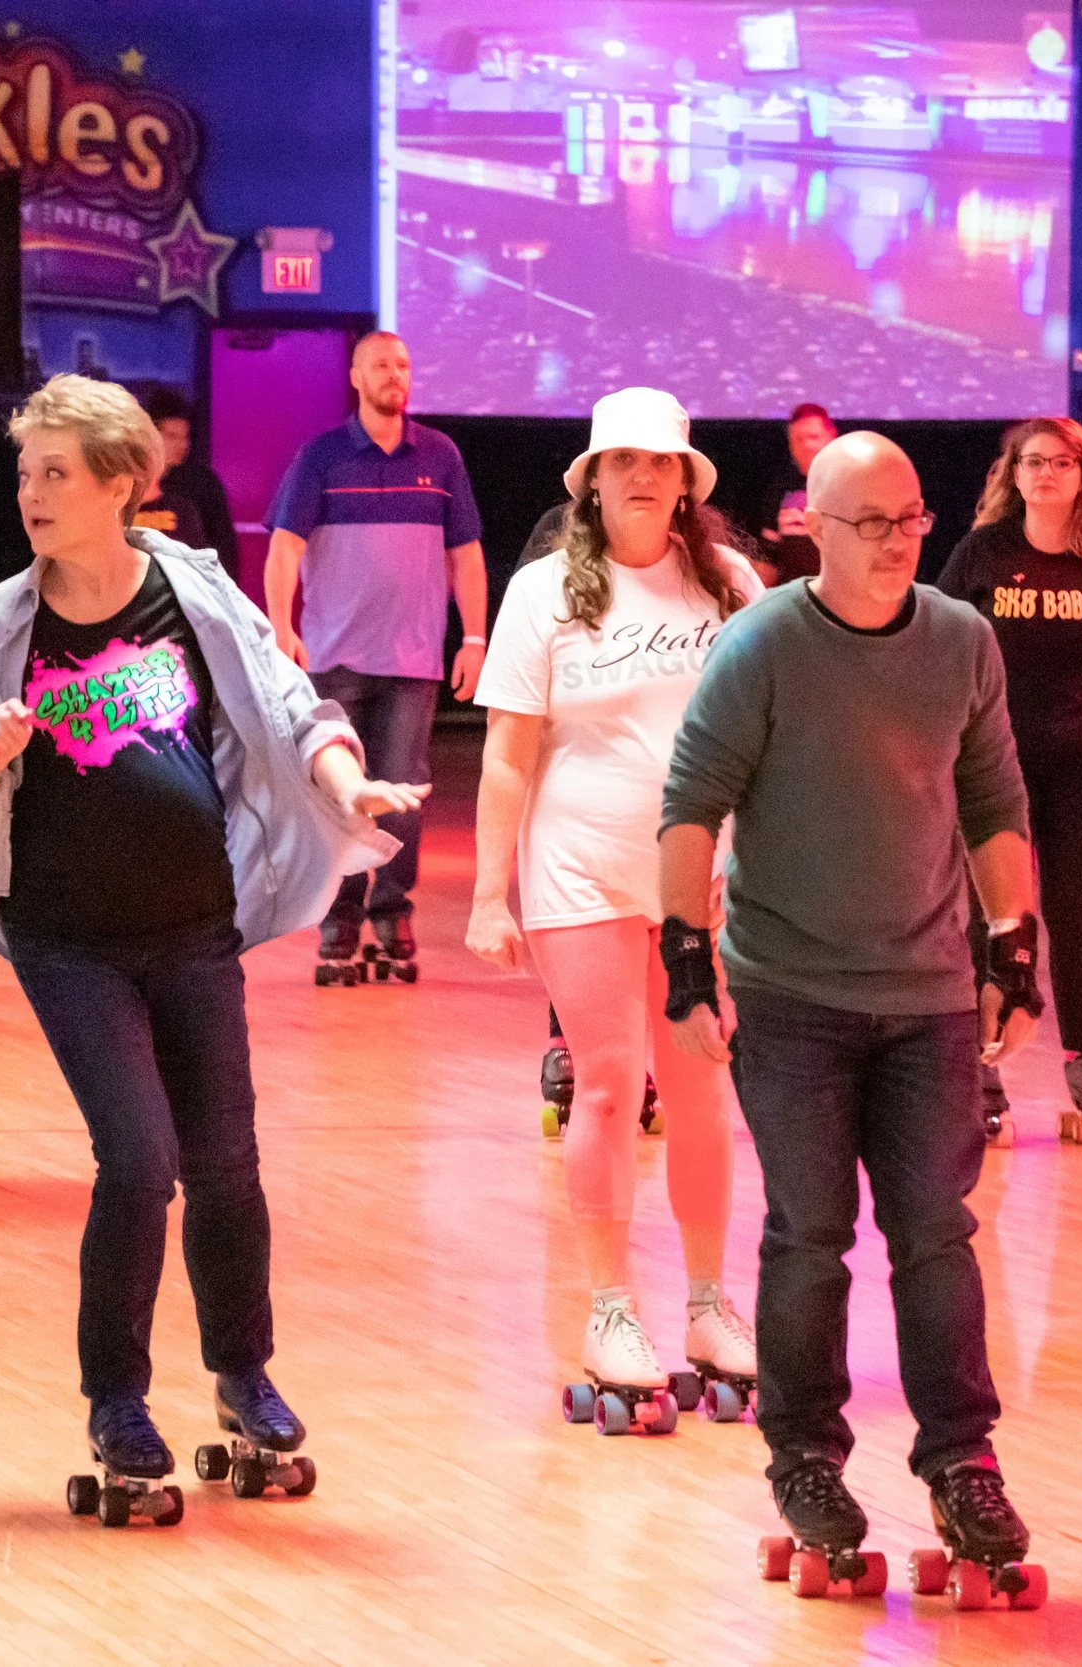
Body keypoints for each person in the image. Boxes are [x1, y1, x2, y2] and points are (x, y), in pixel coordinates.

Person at [0, 375, 421, 1519]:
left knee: (227, 1162)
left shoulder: (191, 593)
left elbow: (296, 708)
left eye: (54, 472)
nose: (29, 493)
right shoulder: (2, 621)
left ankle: (244, 1375)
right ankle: (116, 1398)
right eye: (22, 472)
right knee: (139, 1159)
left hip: (196, 926)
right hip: (67, 938)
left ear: (118, 485)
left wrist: (352, 783)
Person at [660, 431, 1045, 1599]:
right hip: (791, 992)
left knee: (935, 1231)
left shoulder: (961, 641)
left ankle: (960, 1459)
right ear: (813, 531)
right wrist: (685, 958)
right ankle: (807, 1458)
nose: (893, 541)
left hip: (926, 993)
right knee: (809, 1234)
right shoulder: (762, 642)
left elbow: (992, 801)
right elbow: (691, 803)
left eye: (910, 517)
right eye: (867, 522)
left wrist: (1012, 946)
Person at [466, 388, 762, 1430]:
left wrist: (757, 860)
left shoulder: (730, 585)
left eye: (660, 460)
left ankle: (709, 1301)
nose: (641, 474)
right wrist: (486, 892)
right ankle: (607, 1309)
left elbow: (768, 738)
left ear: (685, 479)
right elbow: (507, 754)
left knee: (699, 1089)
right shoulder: (544, 592)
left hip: (702, 883)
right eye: (620, 460)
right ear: (590, 478)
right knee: (603, 1084)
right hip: (578, 870)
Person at [935, 417, 1082, 1144]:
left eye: (1059, 462)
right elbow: (934, 653)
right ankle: (984, 1064)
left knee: (1075, 917)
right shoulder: (982, 554)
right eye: (1030, 462)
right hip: (993, 768)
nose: (1043, 474)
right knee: (997, 919)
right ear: (1014, 475)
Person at [264, 329, 487, 985]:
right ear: (356, 377)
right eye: (382, 364)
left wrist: (474, 637)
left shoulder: (441, 456)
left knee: (403, 786)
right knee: (338, 793)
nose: (397, 373)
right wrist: (281, 626)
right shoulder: (323, 456)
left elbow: (465, 553)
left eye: (405, 364)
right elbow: (284, 546)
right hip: (334, 654)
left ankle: (392, 910)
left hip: (414, 657)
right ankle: (339, 914)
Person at [133, 386, 236, 564]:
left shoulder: (202, 483)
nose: (182, 445)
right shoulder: (125, 482)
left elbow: (223, 545)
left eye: (185, 436)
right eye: (172, 436)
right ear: (149, 435)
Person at [750, 403, 838, 588]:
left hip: (843, 599)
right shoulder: (779, 488)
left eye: (813, 437)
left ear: (831, 437)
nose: (806, 445)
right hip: (794, 600)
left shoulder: (852, 484)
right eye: (798, 439)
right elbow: (768, 558)